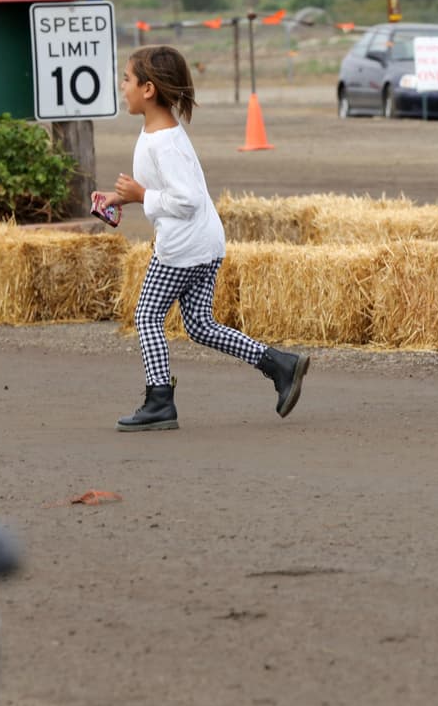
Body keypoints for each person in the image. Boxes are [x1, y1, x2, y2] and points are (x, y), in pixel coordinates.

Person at [94, 45, 310, 431]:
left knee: (146, 316)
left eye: (126, 79)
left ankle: (159, 400)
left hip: (183, 247)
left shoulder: (164, 141)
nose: (121, 86)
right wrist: (121, 198)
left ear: (147, 89)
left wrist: (141, 196)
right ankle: (280, 364)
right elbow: (174, 192)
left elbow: (188, 200)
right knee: (199, 325)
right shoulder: (158, 134)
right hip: (203, 243)